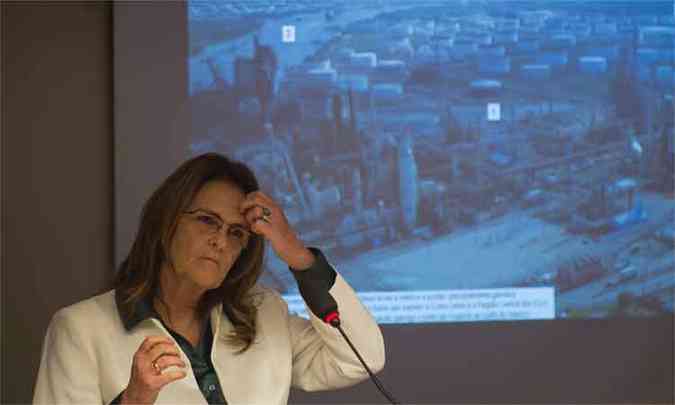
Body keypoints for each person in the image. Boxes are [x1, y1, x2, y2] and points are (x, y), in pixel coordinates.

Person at [33, 153, 385, 405]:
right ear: (165, 220)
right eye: (206, 220)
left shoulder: (265, 313)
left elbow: (362, 358)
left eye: (236, 233)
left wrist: (297, 253)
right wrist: (133, 402)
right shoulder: (79, 329)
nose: (220, 241)